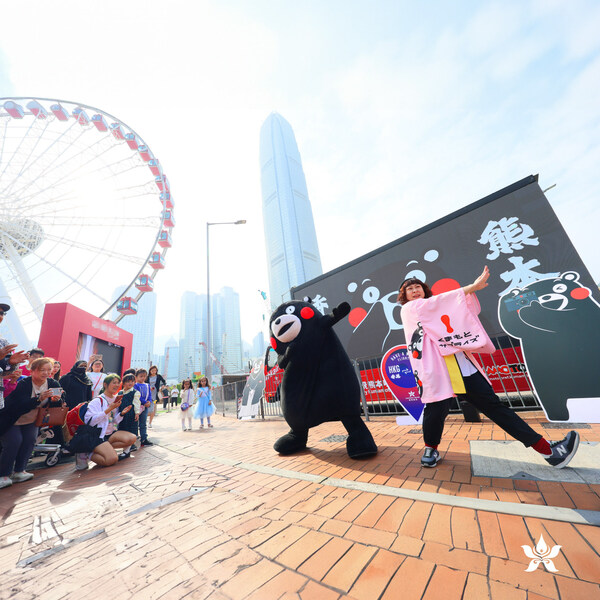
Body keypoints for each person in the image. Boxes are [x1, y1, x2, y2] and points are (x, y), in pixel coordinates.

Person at [398, 266, 580, 469]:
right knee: (435, 410)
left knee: (495, 408)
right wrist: (470, 287)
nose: (415, 290)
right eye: (410, 289)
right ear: (404, 296)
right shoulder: (409, 309)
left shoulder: (435, 307)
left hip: (462, 367)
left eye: (418, 287)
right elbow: (438, 304)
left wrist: (468, 293)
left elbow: (461, 312)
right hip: (439, 371)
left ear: (424, 290)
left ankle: (549, 451)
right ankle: (430, 450)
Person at [0, 357, 62, 488]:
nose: (46, 373)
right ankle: (3, 475)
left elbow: (60, 401)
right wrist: (39, 398)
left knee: (29, 440)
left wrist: (57, 399)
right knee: (14, 442)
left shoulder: (53, 383)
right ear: (32, 371)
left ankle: (19, 471)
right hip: (11, 418)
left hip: (33, 419)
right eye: (42, 370)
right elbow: (18, 405)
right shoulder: (24, 383)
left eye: (49, 370)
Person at [76, 374, 137, 470]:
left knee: (132, 438)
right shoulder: (97, 401)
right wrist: (108, 409)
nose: (117, 385)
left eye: (118, 383)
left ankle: (105, 449)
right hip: (97, 436)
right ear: (105, 384)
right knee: (112, 459)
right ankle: (88, 453)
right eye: (114, 383)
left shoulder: (116, 399)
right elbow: (90, 421)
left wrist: (122, 414)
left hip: (110, 434)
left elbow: (114, 421)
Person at [116, 373, 141, 459]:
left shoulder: (135, 392)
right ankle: (125, 451)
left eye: (132, 381)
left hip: (131, 415)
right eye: (128, 381)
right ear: (123, 383)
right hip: (122, 415)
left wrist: (137, 413)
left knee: (130, 431)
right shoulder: (120, 392)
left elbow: (137, 403)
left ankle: (126, 451)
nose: (130, 383)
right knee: (123, 431)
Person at [134, 369, 153, 446]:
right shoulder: (136, 385)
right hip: (137, 407)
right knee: (135, 423)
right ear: (136, 377)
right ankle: (134, 439)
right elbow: (137, 396)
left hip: (145, 407)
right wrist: (144, 402)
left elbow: (150, 395)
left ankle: (144, 438)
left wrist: (149, 401)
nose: (143, 378)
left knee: (143, 423)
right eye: (141, 376)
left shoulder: (147, 385)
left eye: (144, 376)